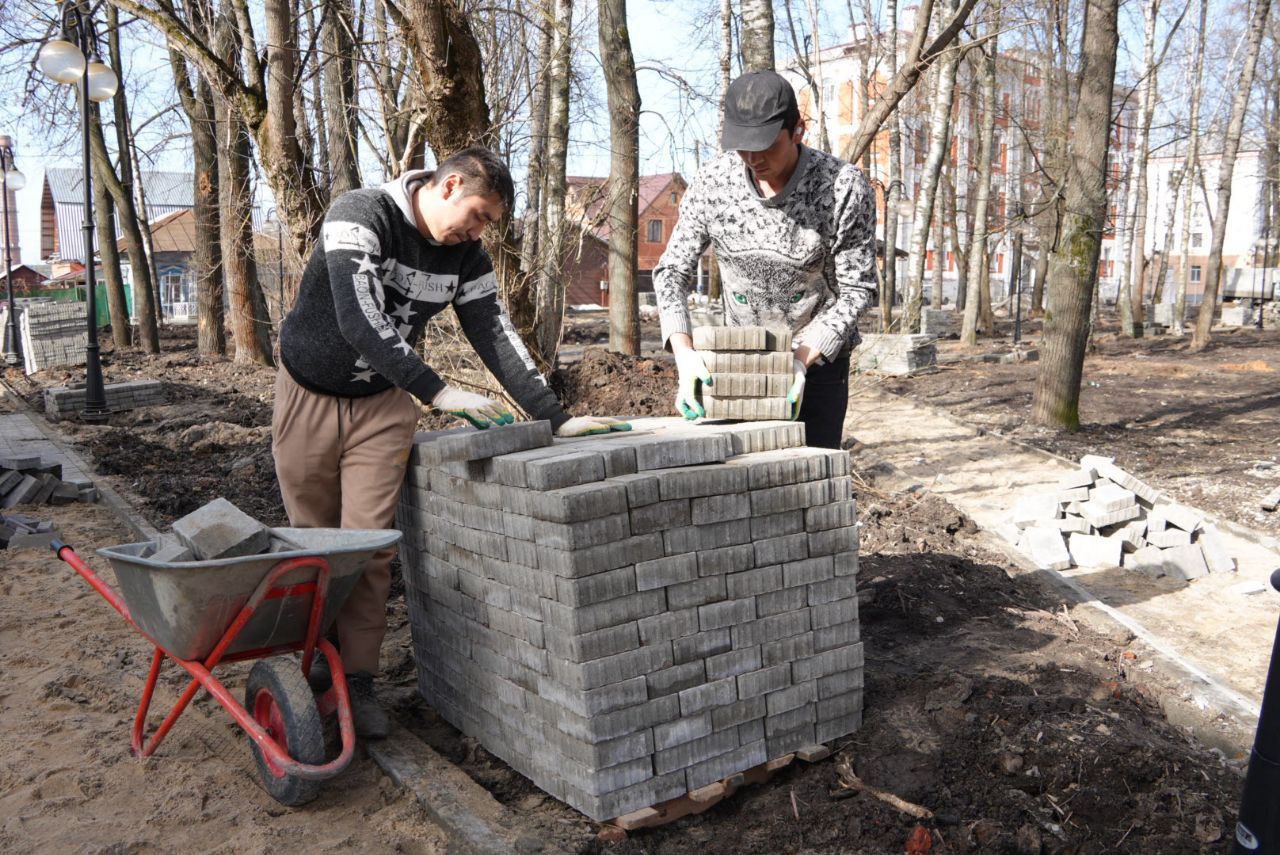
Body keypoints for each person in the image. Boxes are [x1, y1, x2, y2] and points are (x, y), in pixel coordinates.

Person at [273, 146, 627, 738]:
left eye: (487, 222)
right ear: (449, 184)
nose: (478, 229)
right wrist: (440, 392)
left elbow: (494, 330)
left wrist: (555, 418)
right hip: (308, 395)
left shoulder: (465, 256)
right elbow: (357, 320)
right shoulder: (360, 214)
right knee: (312, 545)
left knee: (370, 548)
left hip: (383, 409)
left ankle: (358, 683)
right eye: (480, 214)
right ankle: (310, 666)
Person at [653, 70, 878, 449]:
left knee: (810, 481)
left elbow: (857, 289)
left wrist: (800, 359)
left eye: (766, 145)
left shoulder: (842, 187)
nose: (753, 158)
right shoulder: (713, 184)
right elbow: (671, 271)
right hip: (738, 361)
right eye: (743, 146)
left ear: (798, 131)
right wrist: (685, 353)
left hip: (815, 365)